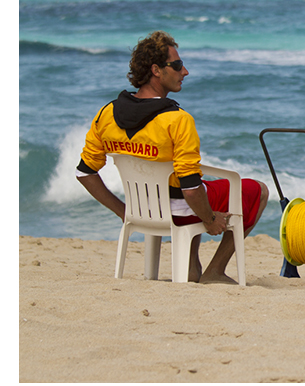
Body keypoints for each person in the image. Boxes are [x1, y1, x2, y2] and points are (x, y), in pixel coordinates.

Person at [76, 31, 269, 284]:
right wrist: (210, 220)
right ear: (156, 70)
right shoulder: (177, 120)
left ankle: (190, 269)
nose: (185, 71)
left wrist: (124, 211)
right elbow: (190, 189)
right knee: (256, 190)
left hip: (141, 208)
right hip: (178, 209)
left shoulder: (107, 113)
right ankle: (215, 271)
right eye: (177, 65)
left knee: (194, 187)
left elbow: (84, 172)